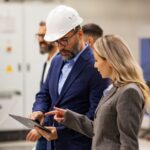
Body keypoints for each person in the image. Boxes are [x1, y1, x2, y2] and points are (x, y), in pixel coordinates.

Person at [36, 35, 150, 150]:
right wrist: (68, 116)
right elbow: (97, 128)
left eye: (97, 60)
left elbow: (129, 144)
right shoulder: (115, 89)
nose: (95, 65)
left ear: (110, 60)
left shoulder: (129, 92)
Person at [28, 5, 108, 150]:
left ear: (79, 34)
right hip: (51, 145)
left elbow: (95, 117)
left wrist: (60, 133)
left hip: (78, 145)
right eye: (56, 42)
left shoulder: (96, 66)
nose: (60, 47)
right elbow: (44, 93)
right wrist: (39, 110)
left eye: (64, 40)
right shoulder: (57, 60)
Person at [26, 21, 58, 150]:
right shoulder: (48, 62)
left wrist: (41, 129)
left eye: (44, 35)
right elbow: (44, 95)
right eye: (38, 36)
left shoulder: (59, 64)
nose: (40, 40)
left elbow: (56, 102)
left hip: (51, 128)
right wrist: (37, 112)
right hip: (43, 125)